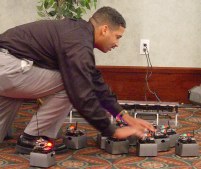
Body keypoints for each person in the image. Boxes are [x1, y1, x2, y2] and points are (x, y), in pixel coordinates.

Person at [0, 6, 155, 154]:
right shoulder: (78, 43)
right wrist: (112, 130)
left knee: (78, 78)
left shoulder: (78, 35)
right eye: (117, 37)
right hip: (8, 67)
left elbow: (94, 79)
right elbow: (82, 91)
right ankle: (33, 137)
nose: (117, 44)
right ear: (105, 29)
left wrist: (123, 116)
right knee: (72, 82)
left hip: (8, 67)